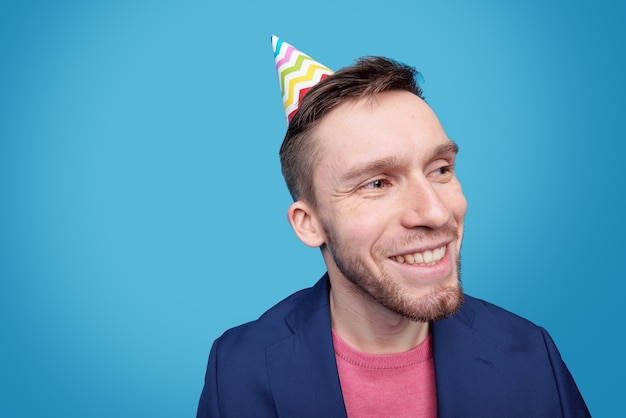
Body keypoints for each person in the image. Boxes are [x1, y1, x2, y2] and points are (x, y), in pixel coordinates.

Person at [196, 36, 590, 417]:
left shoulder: (532, 355)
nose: (436, 213)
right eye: (377, 183)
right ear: (309, 224)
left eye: (440, 169)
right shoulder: (236, 369)